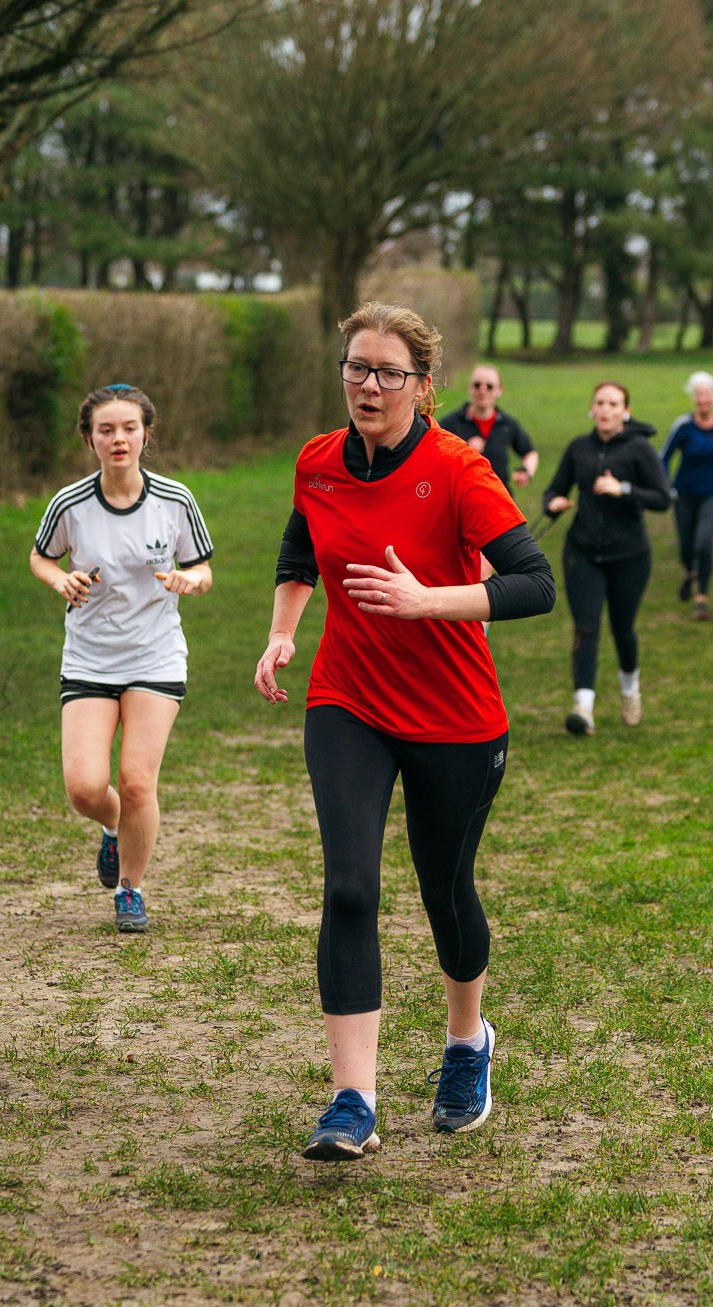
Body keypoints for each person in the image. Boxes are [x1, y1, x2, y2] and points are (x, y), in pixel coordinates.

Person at [256, 302, 555, 1162]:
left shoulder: (460, 470)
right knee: (349, 886)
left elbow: (536, 584)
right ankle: (353, 1098)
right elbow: (298, 547)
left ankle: (467, 1041)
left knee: (445, 892)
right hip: (348, 698)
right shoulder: (318, 462)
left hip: (456, 716)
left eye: (389, 373)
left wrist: (431, 600)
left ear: (426, 388)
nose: (368, 385)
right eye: (356, 367)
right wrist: (285, 630)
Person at [31, 384, 214, 934]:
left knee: (137, 780)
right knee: (85, 787)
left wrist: (191, 580)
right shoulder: (70, 504)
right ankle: (114, 826)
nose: (118, 439)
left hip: (156, 656)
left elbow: (204, 569)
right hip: (89, 657)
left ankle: (130, 889)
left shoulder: (176, 500)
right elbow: (41, 557)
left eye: (129, 428)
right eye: (106, 429)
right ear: (89, 438)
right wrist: (61, 578)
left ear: (145, 434)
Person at [542, 382, 673, 734]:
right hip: (582, 551)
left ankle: (631, 690)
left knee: (622, 629)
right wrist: (553, 503)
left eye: (613, 404)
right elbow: (555, 488)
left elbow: (663, 498)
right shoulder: (578, 448)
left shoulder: (639, 449)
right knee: (586, 627)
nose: (605, 409)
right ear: (592, 408)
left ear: (625, 411)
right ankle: (583, 708)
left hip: (629, 555)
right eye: (600, 402)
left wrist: (624, 489)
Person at [661, 372, 713, 622]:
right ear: (694, 398)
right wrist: (667, 486)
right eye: (699, 395)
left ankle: (702, 598)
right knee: (686, 545)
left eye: (707, 394)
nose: (704, 399)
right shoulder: (683, 426)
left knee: (704, 542)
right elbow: (663, 458)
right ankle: (690, 572)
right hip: (683, 492)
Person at [437, 363, 539, 494]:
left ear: (499, 390)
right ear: (470, 388)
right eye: (477, 385)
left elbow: (530, 453)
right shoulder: (450, 424)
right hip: (463, 501)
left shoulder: (507, 425)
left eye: (489, 386)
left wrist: (526, 472)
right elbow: (434, 460)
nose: (482, 390)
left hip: (501, 500)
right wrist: (464, 452)